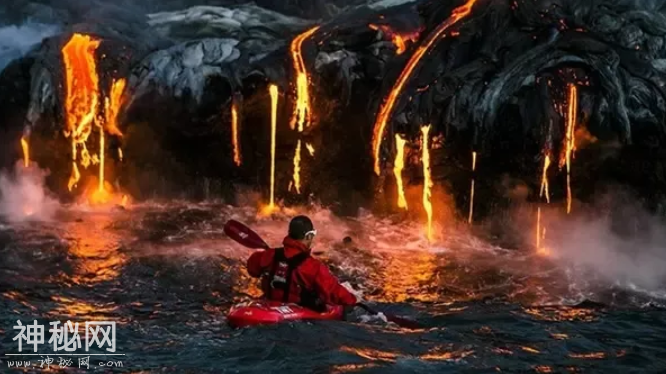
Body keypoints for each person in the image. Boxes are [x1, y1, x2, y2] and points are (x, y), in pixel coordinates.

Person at [246, 215, 361, 311]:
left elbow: (252, 269)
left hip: (268, 306)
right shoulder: (313, 267)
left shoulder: (268, 255)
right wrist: (352, 302)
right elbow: (333, 291)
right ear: (309, 236)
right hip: (297, 314)